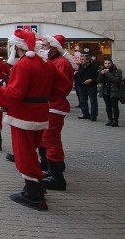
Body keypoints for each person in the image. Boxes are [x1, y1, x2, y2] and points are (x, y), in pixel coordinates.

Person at [0, 29, 71, 211]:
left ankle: (34, 194)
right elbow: (63, 86)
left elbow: (15, 94)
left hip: (24, 115)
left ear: (17, 46)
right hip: (41, 113)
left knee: (25, 153)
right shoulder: (45, 62)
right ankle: (36, 187)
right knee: (33, 150)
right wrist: (43, 96)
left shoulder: (24, 64)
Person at [39, 34, 77, 191]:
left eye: (46, 45)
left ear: (55, 47)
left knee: (51, 139)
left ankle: (57, 177)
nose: (44, 47)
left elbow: (60, 86)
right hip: (50, 105)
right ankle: (50, 168)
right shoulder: (55, 61)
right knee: (45, 139)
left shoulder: (60, 63)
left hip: (55, 106)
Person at [75, 50, 99, 121]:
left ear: (88, 60)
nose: (81, 61)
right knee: (83, 101)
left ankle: (93, 116)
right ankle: (85, 114)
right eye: (81, 59)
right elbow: (78, 75)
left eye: (83, 59)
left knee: (93, 101)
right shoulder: (80, 66)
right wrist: (75, 75)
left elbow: (98, 77)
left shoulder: (94, 67)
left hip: (91, 86)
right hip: (81, 86)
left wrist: (91, 80)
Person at [98, 58, 123, 127]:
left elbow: (116, 80)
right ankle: (110, 120)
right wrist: (101, 74)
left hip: (114, 91)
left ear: (112, 64)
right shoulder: (102, 70)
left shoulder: (117, 71)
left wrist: (108, 73)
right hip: (105, 91)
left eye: (109, 63)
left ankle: (115, 121)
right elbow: (98, 80)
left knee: (114, 106)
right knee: (108, 106)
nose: (107, 65)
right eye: (105, 63)